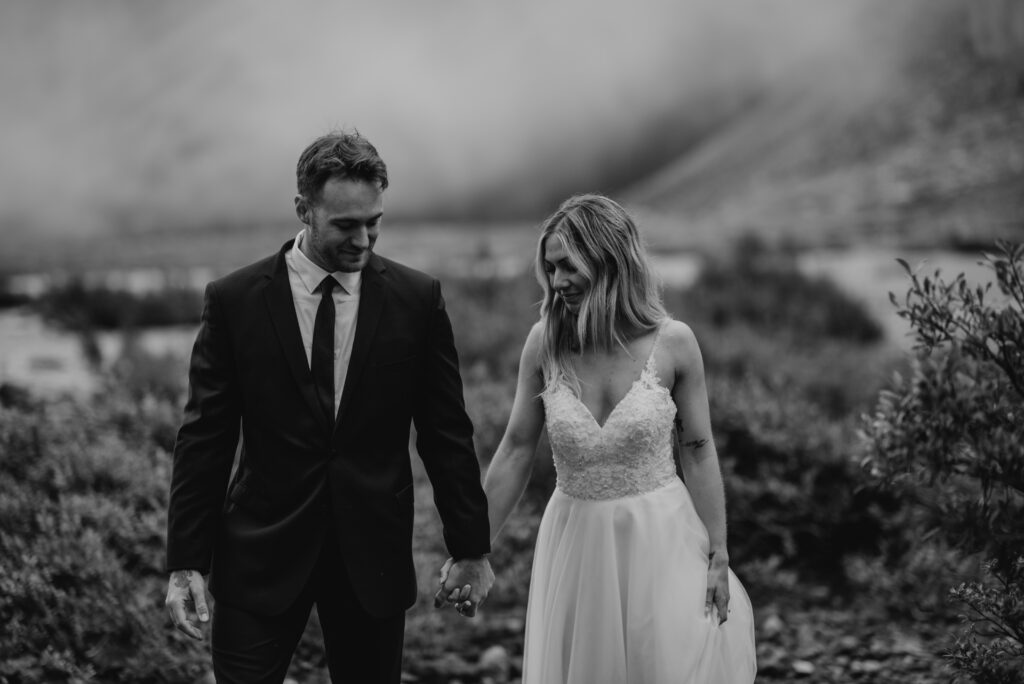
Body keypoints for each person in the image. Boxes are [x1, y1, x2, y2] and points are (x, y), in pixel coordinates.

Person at [164, 130, 494, 684]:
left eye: (374, 222)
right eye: (345, 225)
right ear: (304, 211)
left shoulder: (417, 301)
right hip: (260, 551)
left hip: (373, 556)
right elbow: (205, 437)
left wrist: (471, 548)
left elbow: (445, 432)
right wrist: (185, 561)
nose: (363, 240)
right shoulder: (235, 301)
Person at [479, 194, 757, 682]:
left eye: (568, 266)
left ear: (608, 259)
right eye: (550, 269)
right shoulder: (544, 344)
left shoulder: (674, 343)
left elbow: (697, 450)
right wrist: (471, 548)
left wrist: (719, 553)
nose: (557, 281)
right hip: (575, 545)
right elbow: (517, 449)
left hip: (661, 541)